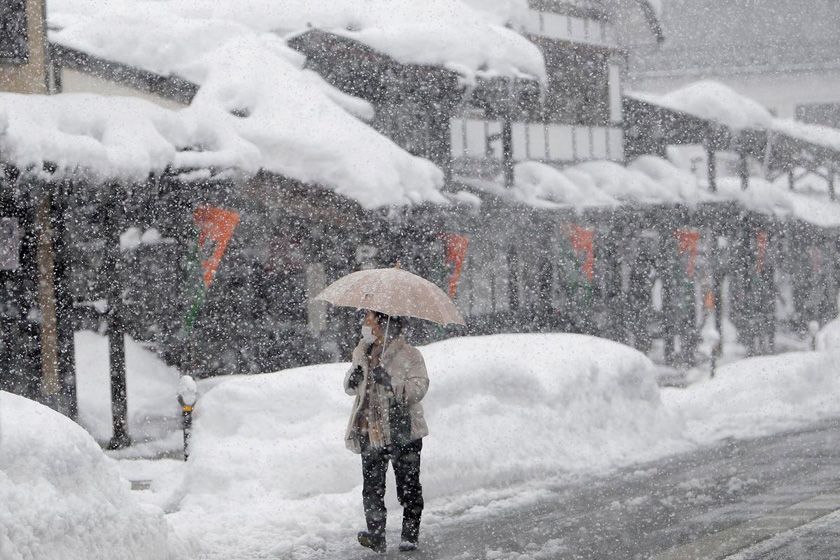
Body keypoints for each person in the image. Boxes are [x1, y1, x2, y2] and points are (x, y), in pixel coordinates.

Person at [344, 310, 429, 553]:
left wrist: (389, 382)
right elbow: (353, 388)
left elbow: (418, 388)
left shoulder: (411, 355)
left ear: (383, 323)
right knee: (372, 488)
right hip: (369, 429)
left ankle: (409, 536)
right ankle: (376, 536)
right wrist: (353, 379)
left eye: (369, 319)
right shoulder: (362, 351)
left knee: (408, 486)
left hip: (402, 430)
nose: (364, 324)